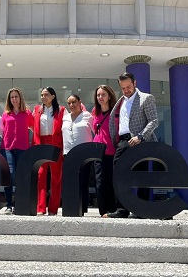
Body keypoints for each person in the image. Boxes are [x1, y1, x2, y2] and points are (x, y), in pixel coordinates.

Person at [104, 72, 158, 219]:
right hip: (123, 142)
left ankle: (142, 210)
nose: (126, 90)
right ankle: (122, 210)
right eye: (123, 88)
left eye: (128, 86)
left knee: (142, 176)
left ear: (134, 83)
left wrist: (140, 136)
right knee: (119, 175)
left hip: (141, 141)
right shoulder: (120, 102)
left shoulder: (146, 98)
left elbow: (154, 121)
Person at [32, 87, 65, 216]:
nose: (43, 97)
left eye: (46, 95)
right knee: (41, 176)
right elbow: (31, 125)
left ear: (53, 96)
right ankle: (40, 208)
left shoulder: (61, 110)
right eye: (41, 95)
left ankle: (53, 208)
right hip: (41, 144)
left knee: (56, 177)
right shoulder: (37, 110)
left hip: (55, 144)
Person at [1, 88, 34, 214]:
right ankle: (9, 204)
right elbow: (2, 130)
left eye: (16, 96)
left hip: (22, 148)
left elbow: (33, 127)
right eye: (12, 97)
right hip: (8, 148)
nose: (14, 99)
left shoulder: (27, 113)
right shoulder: (6, 114)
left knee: (21, 176)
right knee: (10, 174)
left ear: (20, 98)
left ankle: (20, 204)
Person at [62, 94, 95, 214]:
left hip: (84, 154)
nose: (71, 105)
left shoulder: (88, 116)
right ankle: (72, 206)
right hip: (68, 154)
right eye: (69, 103)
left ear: (80, 102)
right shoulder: (65, 117)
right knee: (71, 181)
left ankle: (83, 207)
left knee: (83, 181)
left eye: (74, 102)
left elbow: (96, 132)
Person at [92, 85, 117, 216]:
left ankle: (113, 210)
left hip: (112, 152)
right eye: (98, 95)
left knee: (111, 181)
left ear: (109, 96)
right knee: (100, 182)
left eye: (103, 95)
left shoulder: (115, 113)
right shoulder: (95, 112)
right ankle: (103, 211)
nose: (100, 97)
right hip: (98, 152)